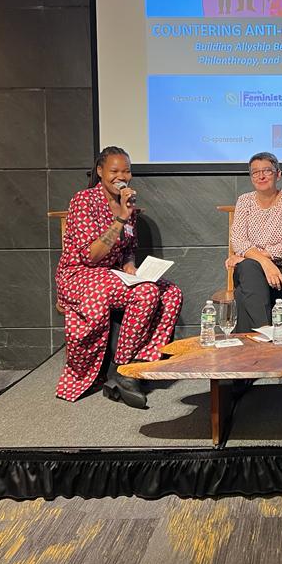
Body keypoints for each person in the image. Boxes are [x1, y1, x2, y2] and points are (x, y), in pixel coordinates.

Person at [55, 146, 183, 408]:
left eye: (126, 171)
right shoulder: (84, 200)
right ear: (100, 171)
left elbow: (127, 250)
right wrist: (120, 218)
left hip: (111, 277)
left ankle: (137, 364)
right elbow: (91, 256)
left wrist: (130, 266)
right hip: (79, 275)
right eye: (114, 171)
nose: (121, 176)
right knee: (147, 292)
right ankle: (123, 370)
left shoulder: (129, 206)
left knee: (171, 293)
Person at [227, 151, 282, 328]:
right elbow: (238, 241)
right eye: (255, 172)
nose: (261, 176)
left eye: (267, 171)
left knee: (243, 292)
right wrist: (265, 263)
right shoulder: (244, 201)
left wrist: (249, 257)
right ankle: (266, 334)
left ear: (278, 174)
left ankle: (250, 346)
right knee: (249, 270)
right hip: (254, 270)